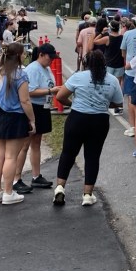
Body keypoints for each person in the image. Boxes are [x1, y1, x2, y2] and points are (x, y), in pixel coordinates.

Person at [51, 49, 123, 206]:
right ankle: (87, 195)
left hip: (77, 118)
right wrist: (104, 103)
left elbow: (60, 96)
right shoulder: (112, 80)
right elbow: (118, 102)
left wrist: (73, 103)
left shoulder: (78, 77)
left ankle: (60, 188)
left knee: (68, 153)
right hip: (99, 121)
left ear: (85, 63)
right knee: (92, 157)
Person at [0, 42, 35, 206]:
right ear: (18, 56)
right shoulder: (20, 75)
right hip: (15, 117)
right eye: (23, 53)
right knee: (10, 156)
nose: (25, 55)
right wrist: (32, 120)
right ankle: (8, 193)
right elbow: (25, 100)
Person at [12, 42, 58, 194]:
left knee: (36, 142)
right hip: (33, 107)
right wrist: (50, 91)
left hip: (43, 107)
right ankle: (16, 179)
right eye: (49, 58)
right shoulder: (33, 69)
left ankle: (36, 175)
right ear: (41, 55)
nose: (51, 60)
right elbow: (29, 92)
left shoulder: (46, 68)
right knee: (24, 144)